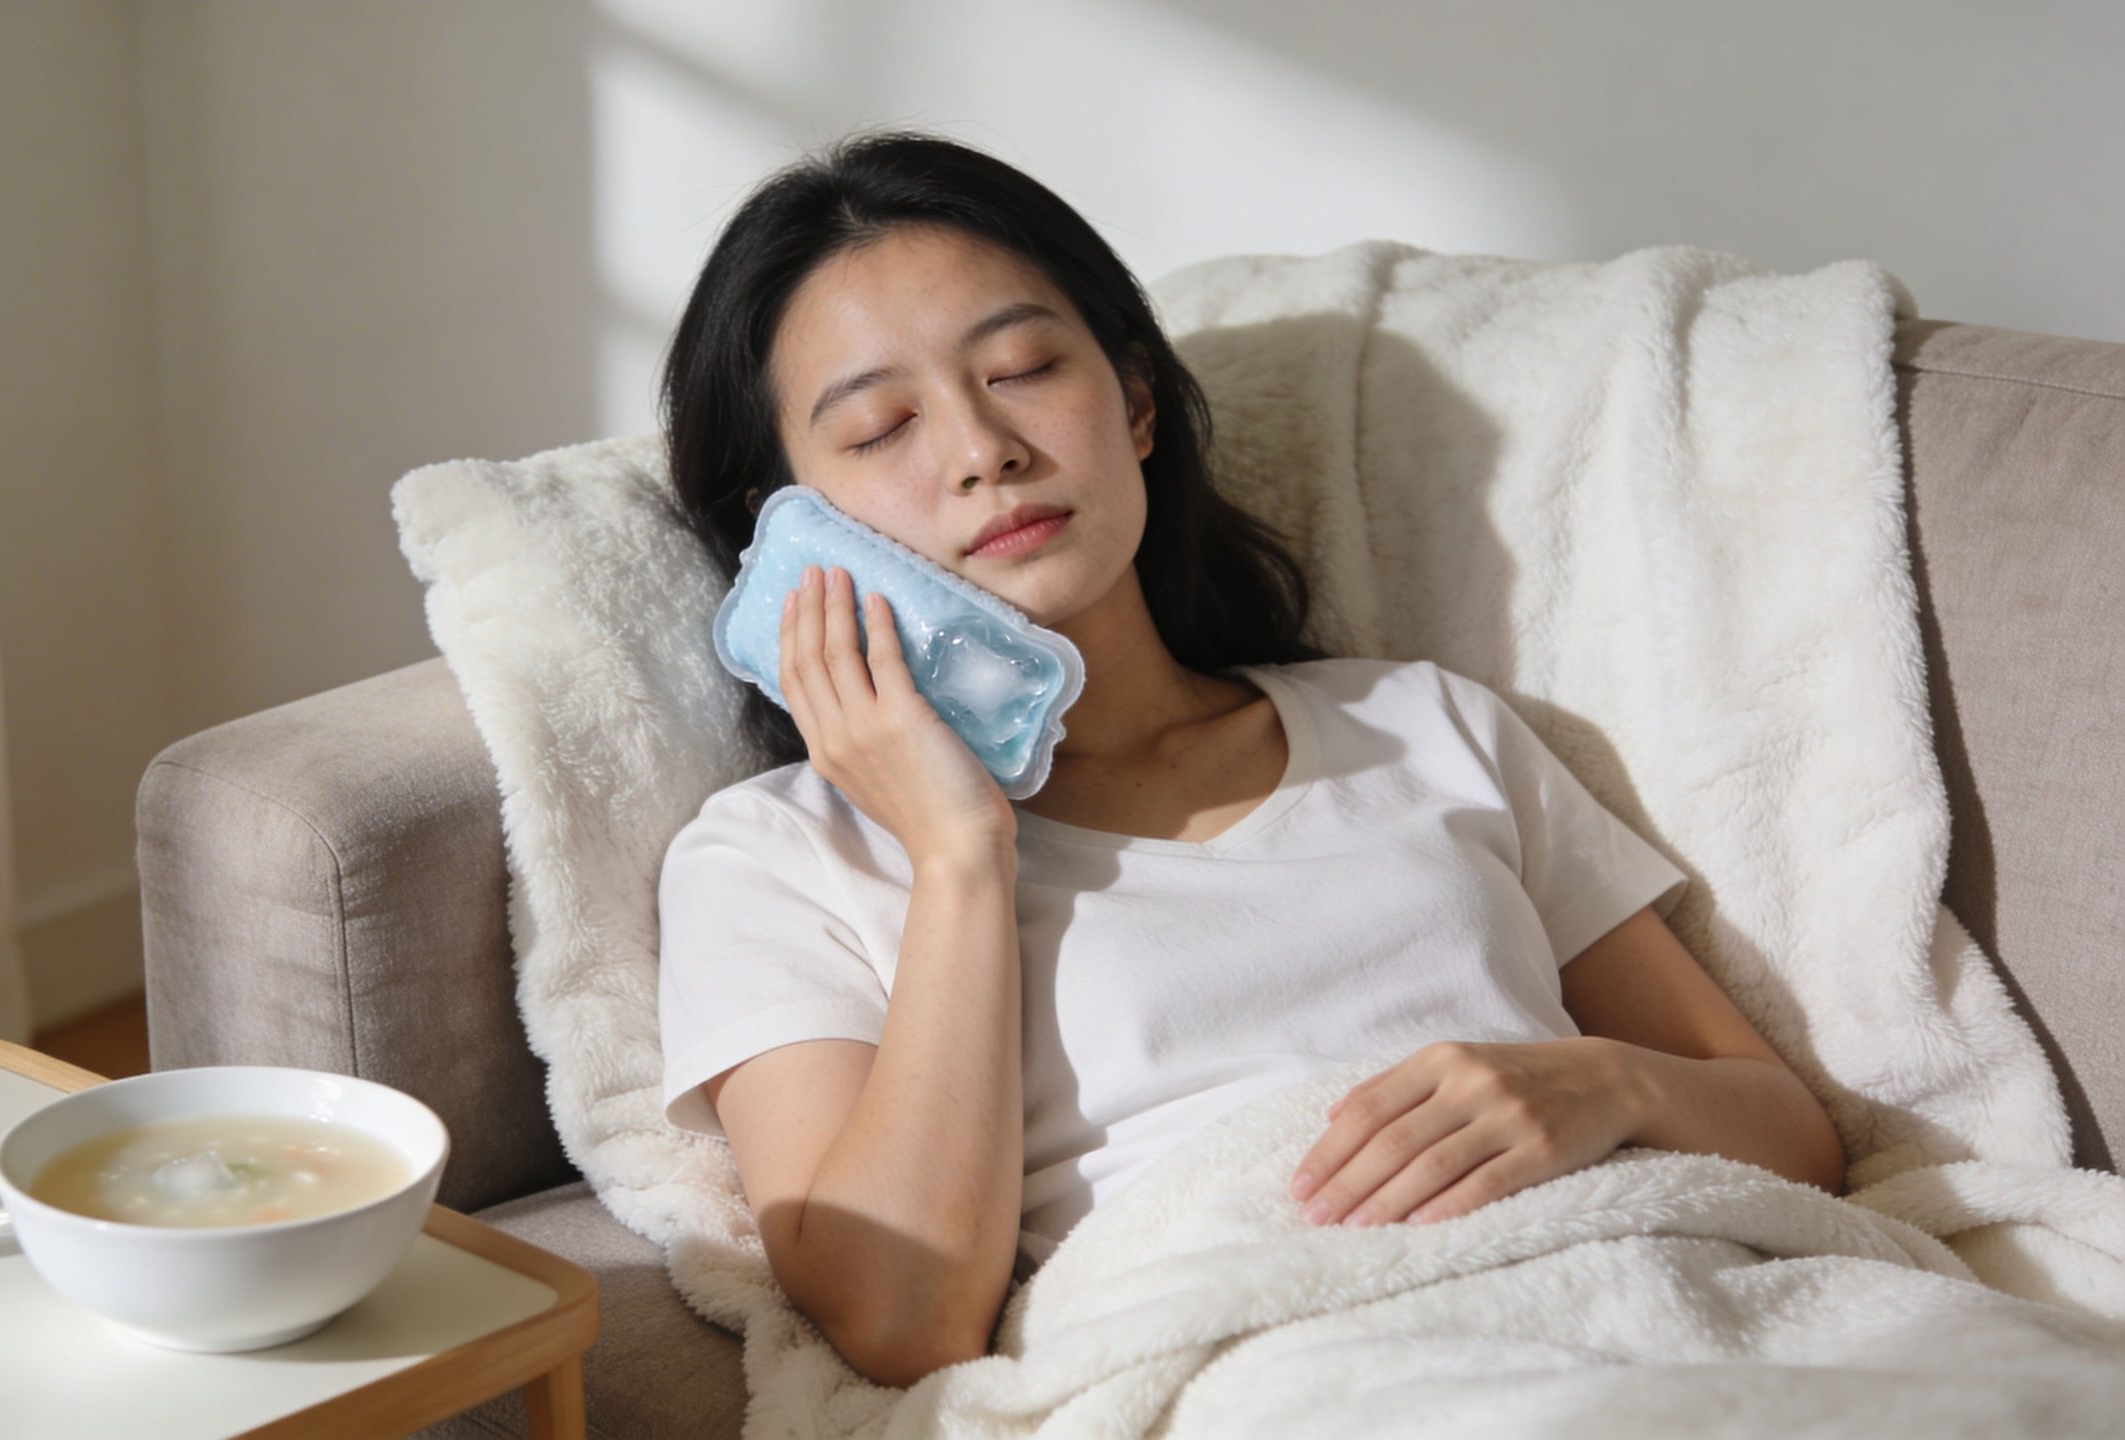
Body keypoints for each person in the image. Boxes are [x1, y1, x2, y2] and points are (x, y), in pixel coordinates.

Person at [651, 129, 1844, 1391]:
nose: (977, 448)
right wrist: (957, 852)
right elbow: (902, 1321)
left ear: (1137, 400)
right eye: (882, 426)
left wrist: (1603, 1087)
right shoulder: (773, 858)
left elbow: (1789, 1134)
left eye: (1022, 368)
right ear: (785, 527)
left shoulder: (1422, 726)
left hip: (1650, 1313)